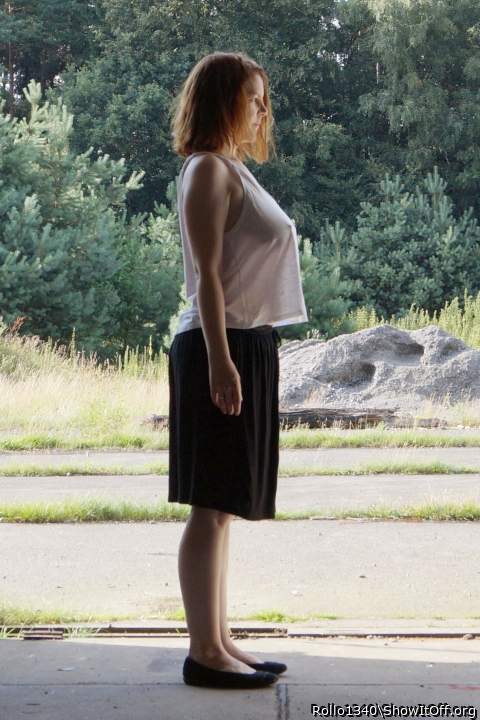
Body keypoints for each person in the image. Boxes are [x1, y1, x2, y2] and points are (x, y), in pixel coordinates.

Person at [168, 51, 309, 689]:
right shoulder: (206, 170)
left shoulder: (233, 170)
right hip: (216, 346)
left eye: (262, 98)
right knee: (209, 505)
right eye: (252, 97)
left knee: (223, 506)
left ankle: (220, 641)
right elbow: (207, 279)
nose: (261, 109)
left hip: (245, 343)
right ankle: (204, 654)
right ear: (222, 99)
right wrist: (222, 362)